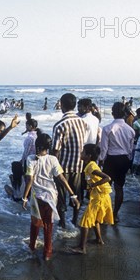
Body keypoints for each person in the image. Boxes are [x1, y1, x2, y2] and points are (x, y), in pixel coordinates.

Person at [21, 134, 79, 260]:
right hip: (51, 196)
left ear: (37, 145)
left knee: (35, 223)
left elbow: (29, 179)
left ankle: (32, 246)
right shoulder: (53, 159)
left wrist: (24, 197)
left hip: (37, 197)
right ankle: (47, 252)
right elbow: (61, 178)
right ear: (49, 146)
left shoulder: (31, 159)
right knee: (48, 225)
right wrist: (72, 194)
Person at [51, 93, 88, 228]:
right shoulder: (82, 122)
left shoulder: (60, 125)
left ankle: (62, 222)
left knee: (61, 196)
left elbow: (55, 150)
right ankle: (74, 219)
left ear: (62, 105)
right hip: (78, 165)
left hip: (63, 166)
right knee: (76, 194)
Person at [69, 144, 114, 255]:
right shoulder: (91, 164)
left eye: (83, 152)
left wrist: (94, 185)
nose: (81, 153)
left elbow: (107, 178)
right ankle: (99, 239)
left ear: (88, 155)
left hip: (99, 197)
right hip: (102, 196)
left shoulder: (91, 166)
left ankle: (81, 247)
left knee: (85, 221)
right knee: (95, 219)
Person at [99, 102, 135, 223]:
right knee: (119, 188)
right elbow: (130, 149)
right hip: (124, 159)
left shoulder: (107, 128)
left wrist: (101, 161)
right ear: (125, 114)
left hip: (111, 159)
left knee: (106, 188)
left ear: (112, 113)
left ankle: (105, 213)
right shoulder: (130, 130)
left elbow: (104, 148)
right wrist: (128, 161)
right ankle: (115, 214)